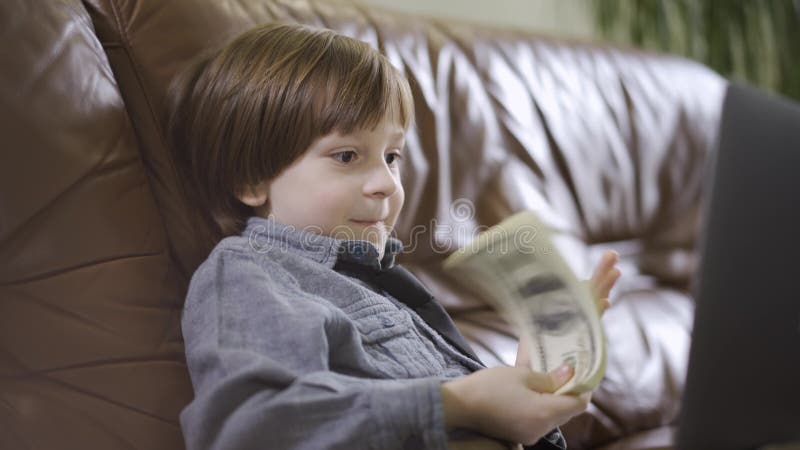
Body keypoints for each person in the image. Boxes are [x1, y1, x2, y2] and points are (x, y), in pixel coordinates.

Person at [165, 22, 620, 450]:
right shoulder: (250, 274)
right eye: (347, 156)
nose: (386, 182)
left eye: (392, 155)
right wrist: (460, 403)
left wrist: (531, 383)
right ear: (250, 179)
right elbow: (251, 430)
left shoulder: (384, 286)